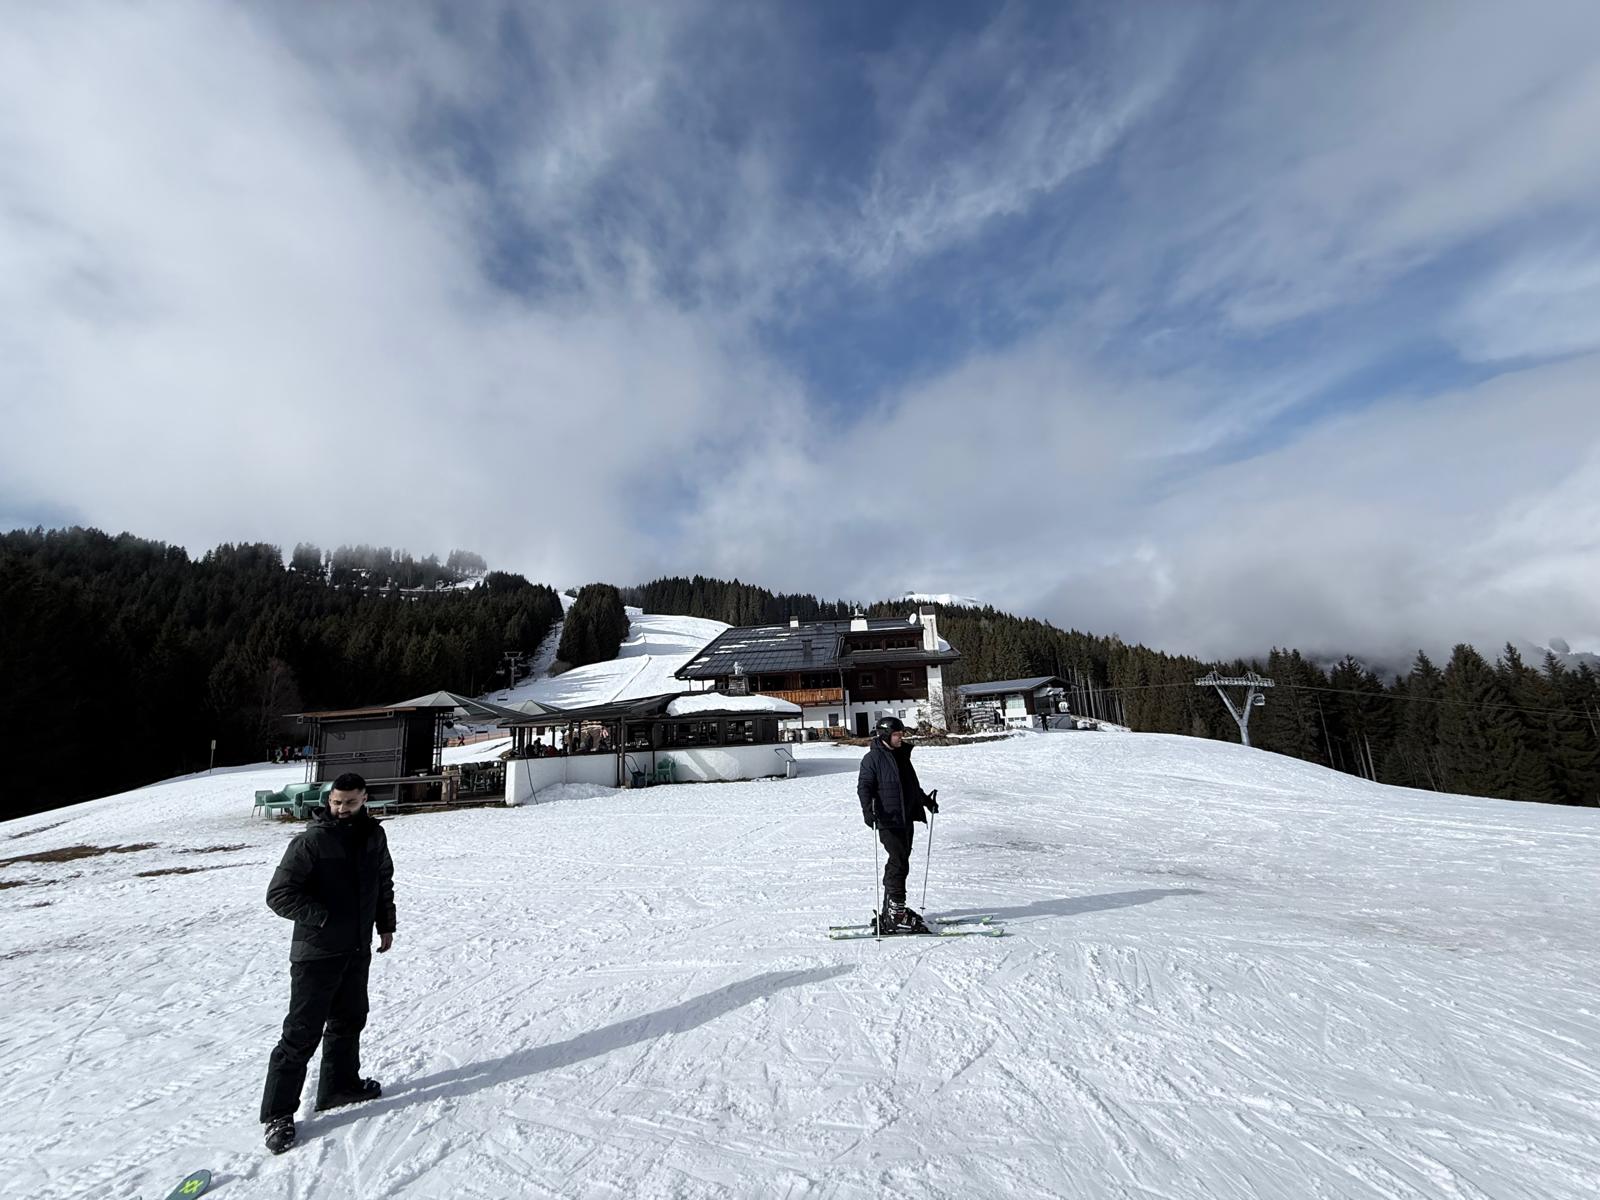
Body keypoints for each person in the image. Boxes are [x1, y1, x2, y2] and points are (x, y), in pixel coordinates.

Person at [259, 772, 396, 1154]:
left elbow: (383, 882)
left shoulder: (374, 836)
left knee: (349, 1020)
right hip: (316, 954)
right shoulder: (311, 841)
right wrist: (322, 917)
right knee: (301, 1034)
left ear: (364, 799)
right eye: (336, 802)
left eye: (350, 802)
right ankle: (278, 1115)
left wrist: (386, 924)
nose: (341, 809)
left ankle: (339, 1086)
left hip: (356, 949)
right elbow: (279, 895)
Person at [856, 716, 939, 934]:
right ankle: (896, 915)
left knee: (900, 862)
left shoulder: (901, 756)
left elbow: (911, 786)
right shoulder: (872, 759)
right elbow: (864, 787)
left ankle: (891, 910)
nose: (900, 738)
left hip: (905, 818)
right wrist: (868, 811)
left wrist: (926, 801)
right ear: (885, 735)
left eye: (901, 734)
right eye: (896, 735)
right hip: (888, 819)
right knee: (898, 862)